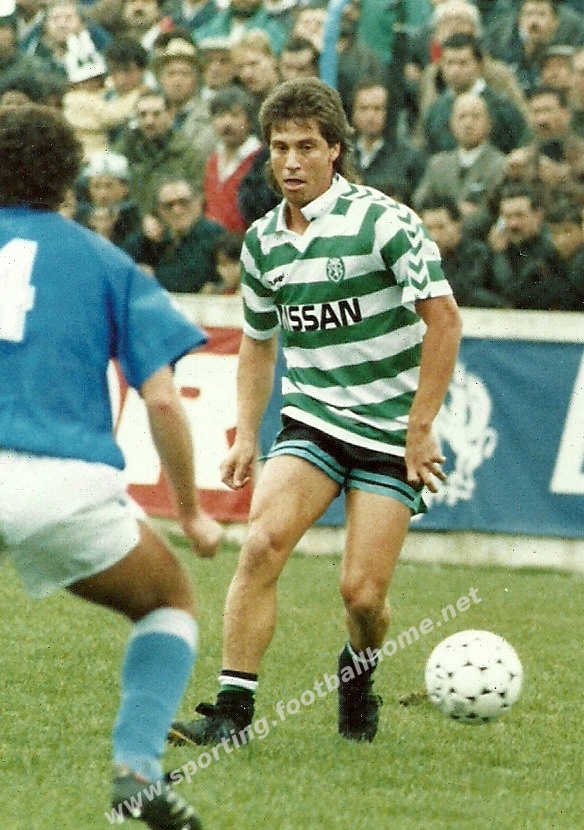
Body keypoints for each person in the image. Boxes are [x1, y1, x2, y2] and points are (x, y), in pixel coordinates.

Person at [169, 77, 462, 748]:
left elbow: (444, 322)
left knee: (362, 596)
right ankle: (231, 714)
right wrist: (247, 434)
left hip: (389, 432)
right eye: (279, 148)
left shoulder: (384, 222)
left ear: (335, 150)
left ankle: (358, 673)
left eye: (306, 147)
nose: (291, 162)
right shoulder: (262, 242)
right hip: (314, 419)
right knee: (261, 544)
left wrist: (420, 429)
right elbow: (258, 344)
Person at [0, 103, 223, 828]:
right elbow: (162, 401)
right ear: (70, 178)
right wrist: (191, 512)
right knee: (167, 604)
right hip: (62, 484)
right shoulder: (108, 263)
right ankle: (136, 770)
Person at [124, 176, 225, 291]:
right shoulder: (163, 235)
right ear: (159, 210)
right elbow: (123, 260)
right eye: (168, 205)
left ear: (198, 202)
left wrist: (149, 276)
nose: (177, 210)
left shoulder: (212, 233)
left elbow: (189, 280)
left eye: (183, 202)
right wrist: (144, 237)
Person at [204, 84, 262, 233]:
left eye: (235, 116)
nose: (227, 123)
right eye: (220, 116)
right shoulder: (213, 159)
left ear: (248, 121)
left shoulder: (259, 159)